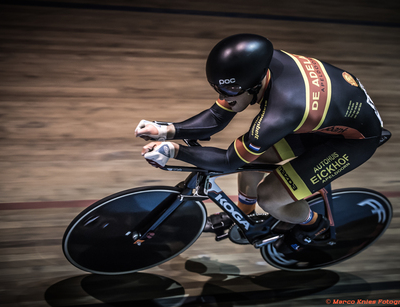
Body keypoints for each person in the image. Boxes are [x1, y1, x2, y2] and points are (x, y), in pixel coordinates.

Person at [135, 33, 384, 253]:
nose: (224, 100)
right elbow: (217, 117)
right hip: (323, 116)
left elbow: (227, 161)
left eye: (230, 94)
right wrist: (166, 129)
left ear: (254, 86)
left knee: (270, 196)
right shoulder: (257, 64)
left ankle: (313, 225)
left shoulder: (279, 114)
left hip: (352, 141)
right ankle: (244, 212)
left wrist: (175, 150)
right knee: (255, 161)